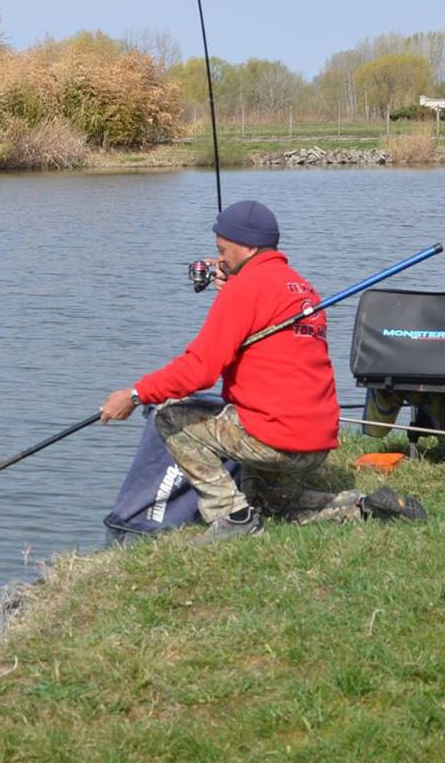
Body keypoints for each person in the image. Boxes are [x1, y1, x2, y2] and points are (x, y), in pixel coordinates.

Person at [100, 200, 347, 539]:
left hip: (275, 438)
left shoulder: (246, 289)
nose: (219, 260)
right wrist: (233, 289)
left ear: (248, 246)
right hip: (317, 441)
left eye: (223, 250)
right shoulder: (301, 287)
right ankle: (359, 506)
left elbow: (199, 369)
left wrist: (134, 393)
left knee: (169, 416)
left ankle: (233, 519)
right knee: (273, 503)